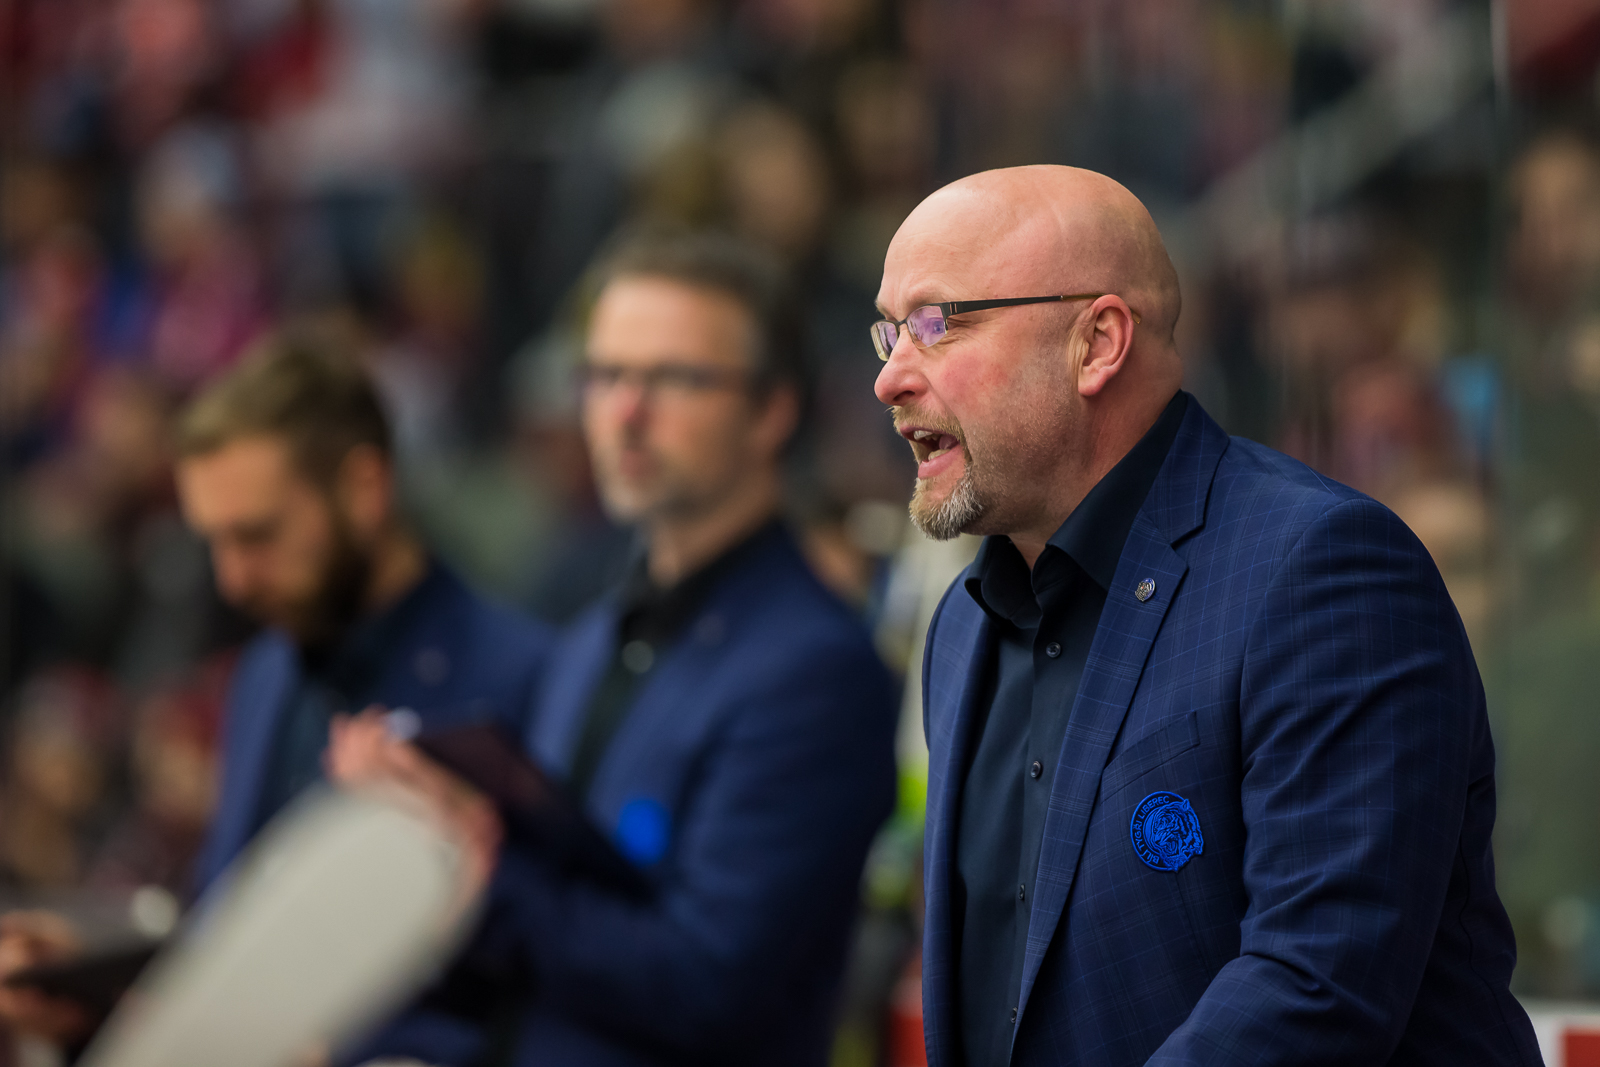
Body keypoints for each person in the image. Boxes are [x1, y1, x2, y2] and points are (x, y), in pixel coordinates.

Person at [873, 166, 1540, 1065]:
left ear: (1097, 343)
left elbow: (1315, 987)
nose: (890, 378)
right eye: (888, 332)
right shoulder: (963, 626)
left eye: (936, 324)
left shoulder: (1321, 568)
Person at [332, 231, 899, 1067]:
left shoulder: (815, 669)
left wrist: (472, 869)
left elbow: (703, 985)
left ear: (772, 411)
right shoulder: (597, 630)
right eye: (603, 375)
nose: (624, 413)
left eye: (673, 379)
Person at [0, 334, 551, 1054]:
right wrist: (95, 992)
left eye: (257, 537)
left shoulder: (518, 677)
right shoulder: (266, 671)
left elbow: (528, 980)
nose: (232, 580)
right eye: (215, 542)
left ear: (363, 488)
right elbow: (235, 939)